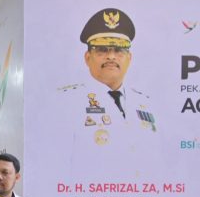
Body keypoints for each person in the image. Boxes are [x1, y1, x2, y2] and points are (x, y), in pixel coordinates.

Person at [59, 8, 157, 148]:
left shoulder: (146, 104)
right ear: (87, 58)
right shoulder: (66, 103)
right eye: (102, 49)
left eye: (119, 50)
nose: (111, 56)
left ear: (129, 59)